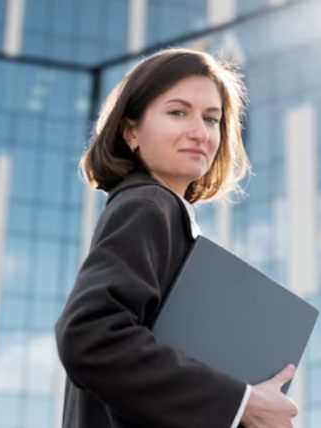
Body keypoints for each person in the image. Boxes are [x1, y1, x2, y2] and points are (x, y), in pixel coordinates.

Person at [54, 47, 299, 428]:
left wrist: (246, 408)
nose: (200, 133)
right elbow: (90, 336)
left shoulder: (166, 215)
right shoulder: (149, 204)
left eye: (212, 119)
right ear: (130, 130)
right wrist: (241, 402)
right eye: (178, 112)